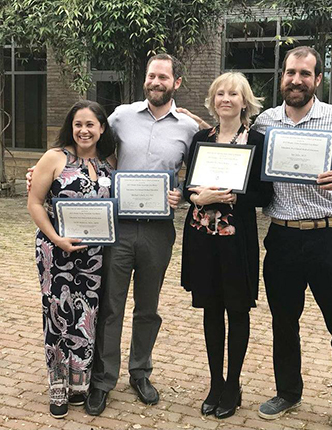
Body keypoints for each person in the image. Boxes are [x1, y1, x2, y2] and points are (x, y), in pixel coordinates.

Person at [252, 46, 332, 430]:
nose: (296, 80)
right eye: (290, 73)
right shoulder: (265, 123)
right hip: (283, 238)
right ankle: (288, 392)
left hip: (330, 237)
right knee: (284, 323)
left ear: (318, 79)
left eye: (305, 74)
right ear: (282, 77)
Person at [85, 53, 199, 415]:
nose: (156, 82)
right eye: (151, 76)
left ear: (176, 83)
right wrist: (51, 168)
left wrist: (180, 191)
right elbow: (90, 145)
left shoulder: (190, 128)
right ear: (145, 80)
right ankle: (103, 379)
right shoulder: (120, 116)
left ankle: (140, 372)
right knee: (111, 305)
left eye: (163, 77)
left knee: (147, 308)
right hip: (117, 227)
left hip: (158, 231)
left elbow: (195, 173)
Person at [181, 72, 272, 419]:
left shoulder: (258, 141)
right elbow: (190, 185)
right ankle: (215, 382)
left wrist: (237, 195)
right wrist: (196, 196)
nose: (226, 99)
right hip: (203, 237)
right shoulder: (201, 138)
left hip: (237, 239)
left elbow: (267, 193)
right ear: (212, 100)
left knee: (237, 309)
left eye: (234, 93)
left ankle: (233, 383)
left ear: (245, 101)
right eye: (220, 93)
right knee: (210, 309)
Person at [27, 100, 116, 419]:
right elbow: (35, 202)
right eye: (78, 124)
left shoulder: (108, 163)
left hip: (93, 257)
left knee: (86, 315)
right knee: (57, 316)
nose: (84, 130)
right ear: (71, 127)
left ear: (102, 128)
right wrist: (56, 238)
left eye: (91, 124)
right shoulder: (55, 158)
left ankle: (80, 382)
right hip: (56, 253)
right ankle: (57, 383)